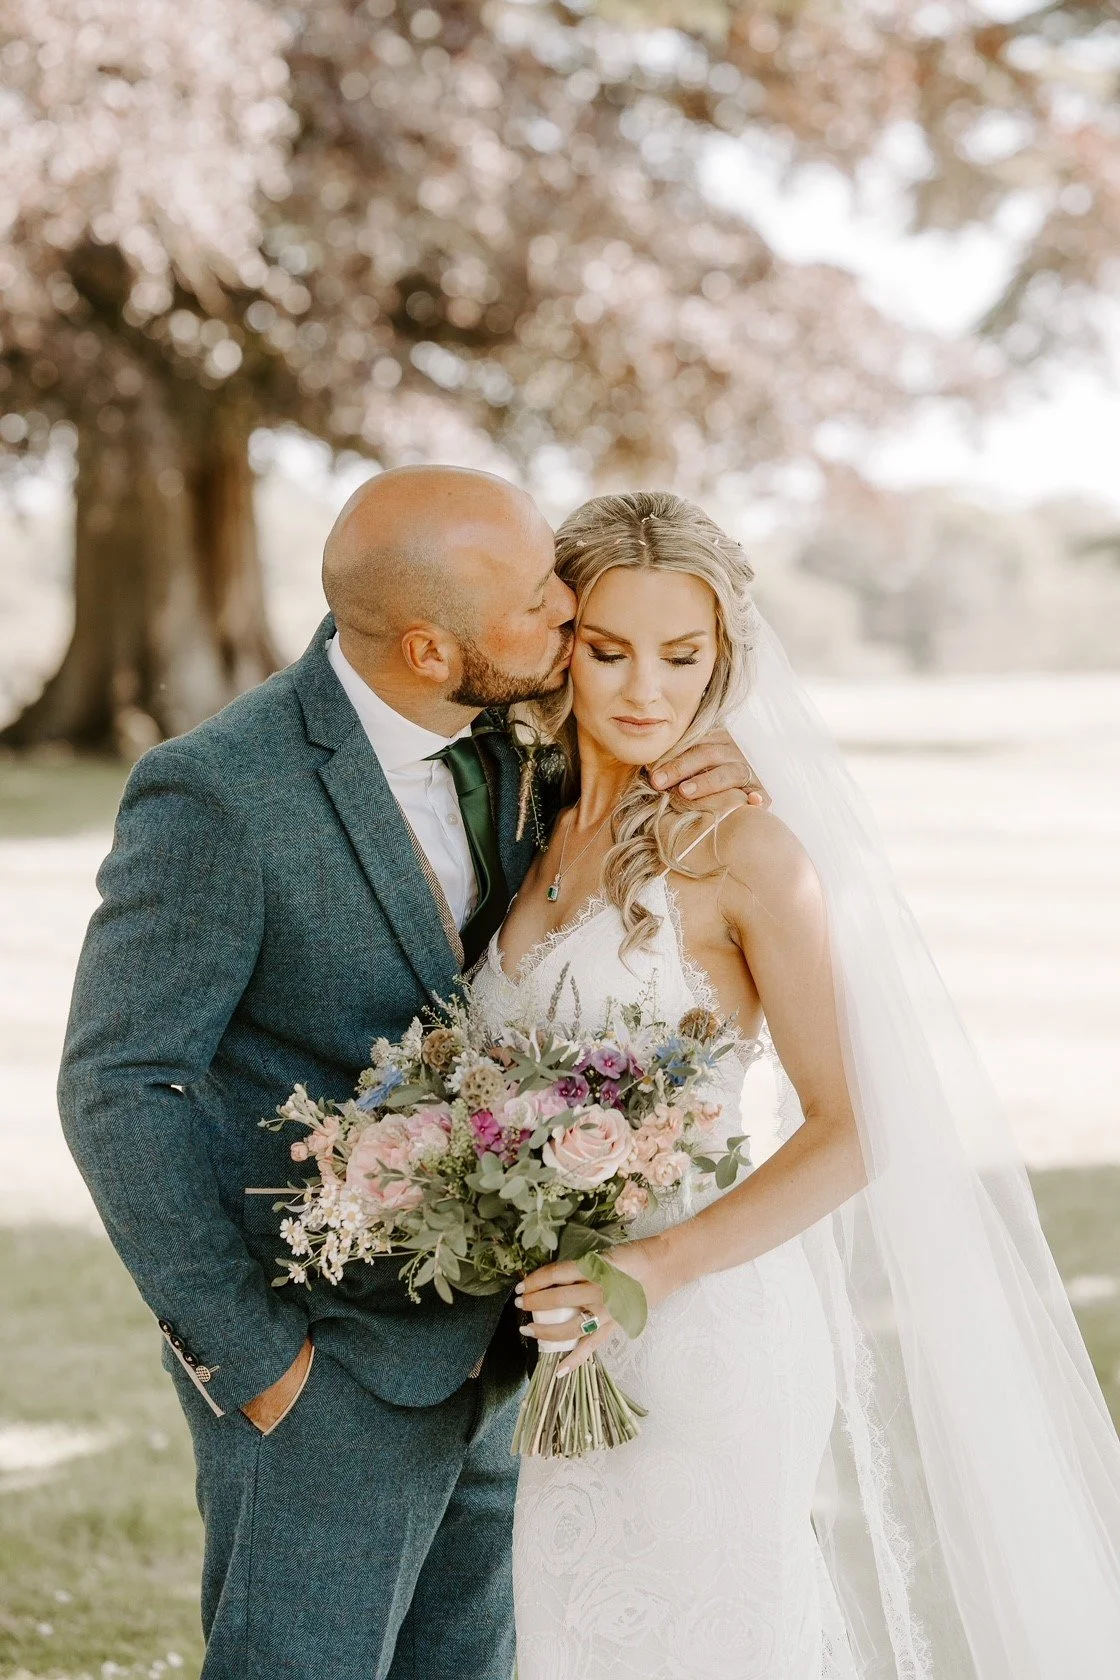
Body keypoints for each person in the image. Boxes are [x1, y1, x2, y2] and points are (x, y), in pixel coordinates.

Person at [56, 466, 763, 1680]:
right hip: (318, 1364)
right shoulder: (218, 793)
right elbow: (119, 1082)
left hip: (500, 1353)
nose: (565, 609)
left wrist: (706, 762)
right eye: (540, 600)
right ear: (431, 648)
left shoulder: (521, 737)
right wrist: (253, 1359)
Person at [474, 490, 1120, 1680]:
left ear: (726, 658)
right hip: (563, 1331)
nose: (644, 692)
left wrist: (651, 1269)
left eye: (682, 656)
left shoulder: (746, 850)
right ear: (562, 645)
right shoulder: (526, 828)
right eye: (609, 651)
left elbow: (855, 1126)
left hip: (707, 1326)